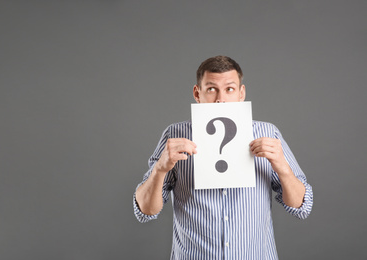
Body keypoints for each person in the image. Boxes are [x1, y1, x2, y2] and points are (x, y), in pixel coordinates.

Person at [133, 55, 313, 259]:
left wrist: (282, 167)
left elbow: (302, 207)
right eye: (211, 89)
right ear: (197, 93)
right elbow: (145, 212)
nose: (220, 98)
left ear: (241, 93)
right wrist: (159, 169)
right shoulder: (175, 136)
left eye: (229, 89)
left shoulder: (268, 133)